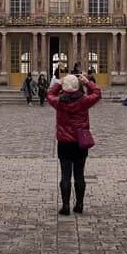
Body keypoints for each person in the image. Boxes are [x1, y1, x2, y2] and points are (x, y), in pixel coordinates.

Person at [47, 73, 101, 215]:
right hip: (80, 142)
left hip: (64, 143)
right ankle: (79, 204)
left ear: (64, 87)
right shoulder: (84, 101)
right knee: (79, 175)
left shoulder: (59, 102)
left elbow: (49, 93)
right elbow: (97, 93)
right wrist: (87, 81)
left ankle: (65, 206)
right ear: (78, 87)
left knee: (65, 176)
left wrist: (59, 82)